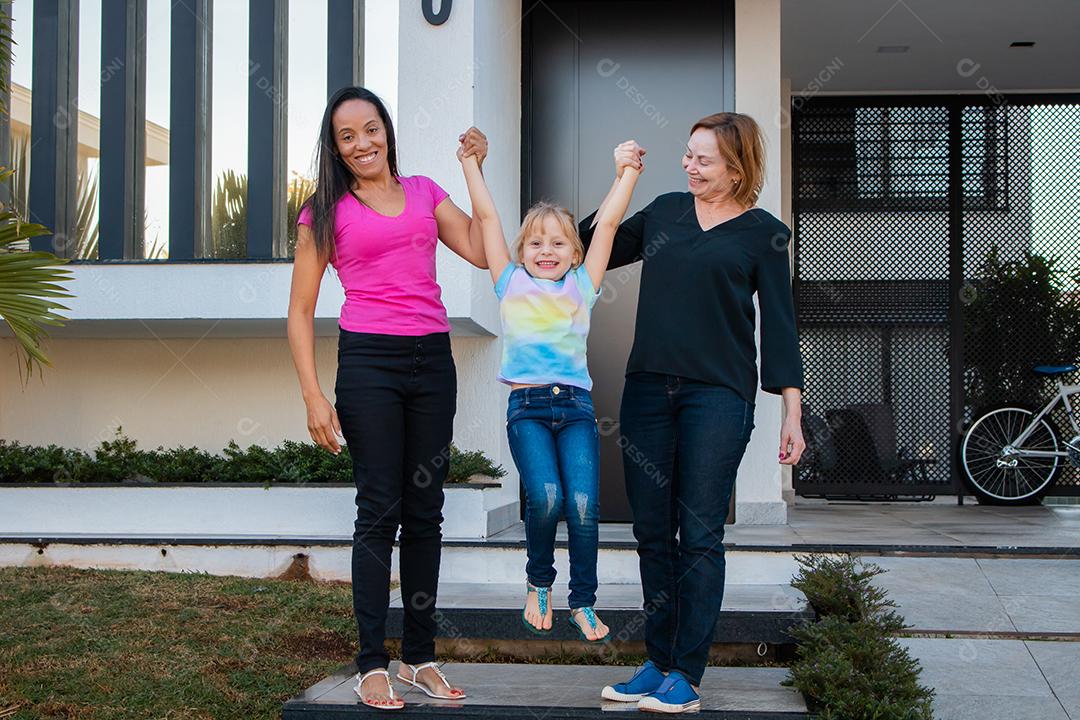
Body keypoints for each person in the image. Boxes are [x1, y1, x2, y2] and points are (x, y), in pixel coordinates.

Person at [590, 114, 806, 713]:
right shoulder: (664, 211)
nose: (688, 165)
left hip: (719, 396)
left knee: (701, 534)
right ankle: (657, 662)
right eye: (688, 155)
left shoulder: (766, 234)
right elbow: (590, 244)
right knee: (653, 533)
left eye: (703, 160)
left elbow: (780, 326)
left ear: (737, 169)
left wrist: (791, 412)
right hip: (647, 391)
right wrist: (622, 178)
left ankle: (686, 674)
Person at [287, 86, 489, 711]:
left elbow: (483, 252)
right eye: (347, 136)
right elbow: (299, 311)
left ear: (386, 130)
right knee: (379, 510)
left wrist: (474, 169)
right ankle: (371, 662)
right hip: (368, 364)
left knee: (426, 510)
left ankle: (419, 656)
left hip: (432, 361)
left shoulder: (426, 192)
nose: (362, 143)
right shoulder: (324, 211)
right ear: (335, 147)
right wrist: (313, 396)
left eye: (370, 129)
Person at [456, 130, 643, 644]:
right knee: (545, 497)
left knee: (582, 505)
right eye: (536, 243)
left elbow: (608, 225)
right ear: (522, 251)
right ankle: (539, 584)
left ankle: (582, 601)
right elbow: (487, 219)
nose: (546, 251)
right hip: (528, 408)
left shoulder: (583, 285)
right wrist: (471, 163)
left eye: (558, 243)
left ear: (574, 252)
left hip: (576, 408)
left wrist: (627, 172)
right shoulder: (509, 281)